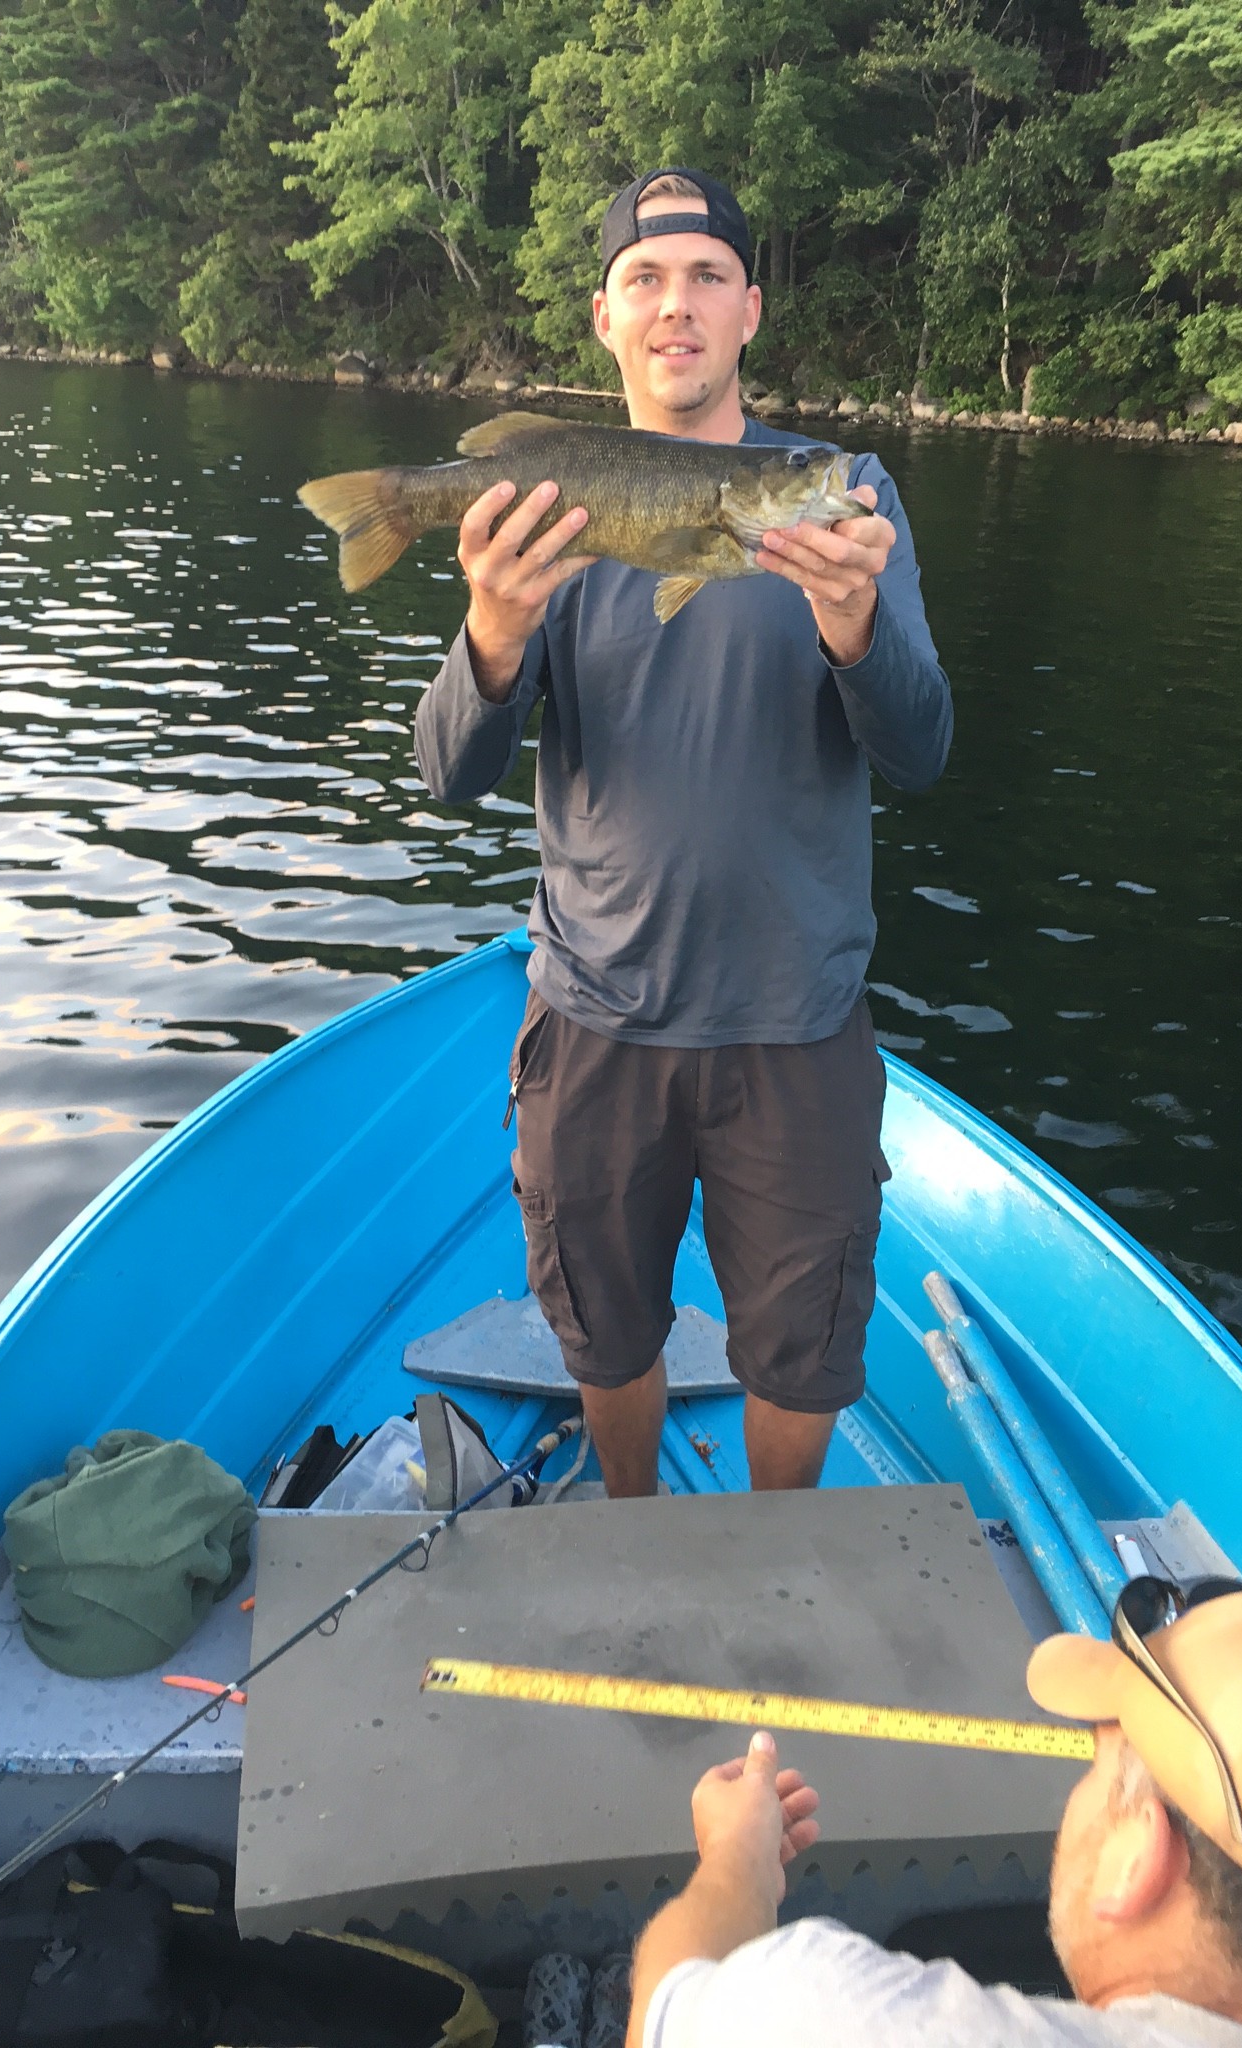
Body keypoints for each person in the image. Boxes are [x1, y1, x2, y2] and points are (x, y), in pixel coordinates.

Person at [414, 168, 953, 1498]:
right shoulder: (556, 500)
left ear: (750, 309)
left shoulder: (846, 494)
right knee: (604, 1325)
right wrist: (495, 630)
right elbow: (445, 776)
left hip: (796, 1020)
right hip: (597, 1015)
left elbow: (924, 748)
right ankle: (634, 1517)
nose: (678, 306)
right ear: (606, 317)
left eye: (708, 276)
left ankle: (771, 1553)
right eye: (646, 280)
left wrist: (854, 632)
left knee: (802, 1353)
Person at [625, 1585, 1242, 2046]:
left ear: (1138, 1862)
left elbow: (669, 2006)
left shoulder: (821, 2014)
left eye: (1097, 1768)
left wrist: (736, 1859)